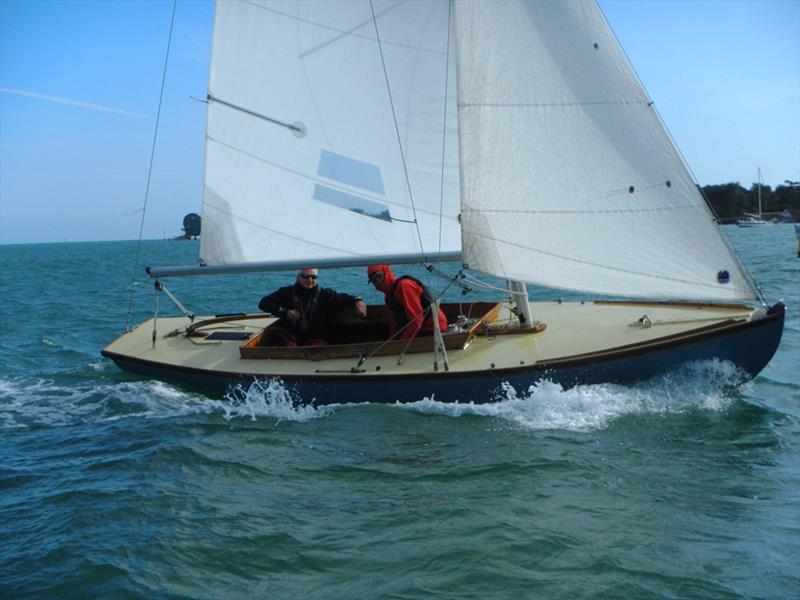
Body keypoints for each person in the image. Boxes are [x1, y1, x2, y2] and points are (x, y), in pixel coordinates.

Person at [258, 268, 367, 346]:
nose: (310, 280)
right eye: (305, 276)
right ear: (298, 277)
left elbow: (344, 298)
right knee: (281, 338)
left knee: (318, 348)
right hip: (292, 335)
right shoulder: (286, 292)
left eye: (313, 277)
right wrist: (285, 312)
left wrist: (357, 300)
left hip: (316, 337)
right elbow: (264, 303)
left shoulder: (326, 294)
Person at [366, 264, 447, 341]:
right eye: (374, 280)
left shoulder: (404, 285)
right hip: (419, 329)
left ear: (386, 272)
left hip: (433, 328)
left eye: (379, 276)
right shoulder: (388, 297)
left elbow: (416, 321)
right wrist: (391, 343)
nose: (378, 282)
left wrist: (402, 344)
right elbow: (395, 325)